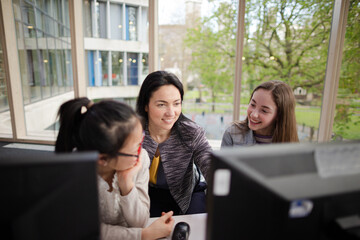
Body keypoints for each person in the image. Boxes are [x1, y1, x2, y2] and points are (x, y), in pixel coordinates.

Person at [55, 97, 174, 240]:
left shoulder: (140, 159)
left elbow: (140, 222)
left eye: (141, 139)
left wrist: (126, 184)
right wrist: (143, 235)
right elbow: (86, 229)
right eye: (135, 148)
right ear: (102, 159)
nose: (140, 150)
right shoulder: (75, 174)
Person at [136, 71, 212, 217]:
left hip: (187, 194)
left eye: (176, 104)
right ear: (146, 105)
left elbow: (209, 163)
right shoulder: (133, 133)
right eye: (161, 105)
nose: (171, 112)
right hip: (146, 194)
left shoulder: (192, 133)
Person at [221, 80, 299, 147]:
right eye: (252, 105)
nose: (253, 115)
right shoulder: (232, 133)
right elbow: (221, 164)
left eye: (264, 111)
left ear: (279, 115)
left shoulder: (290, 144)